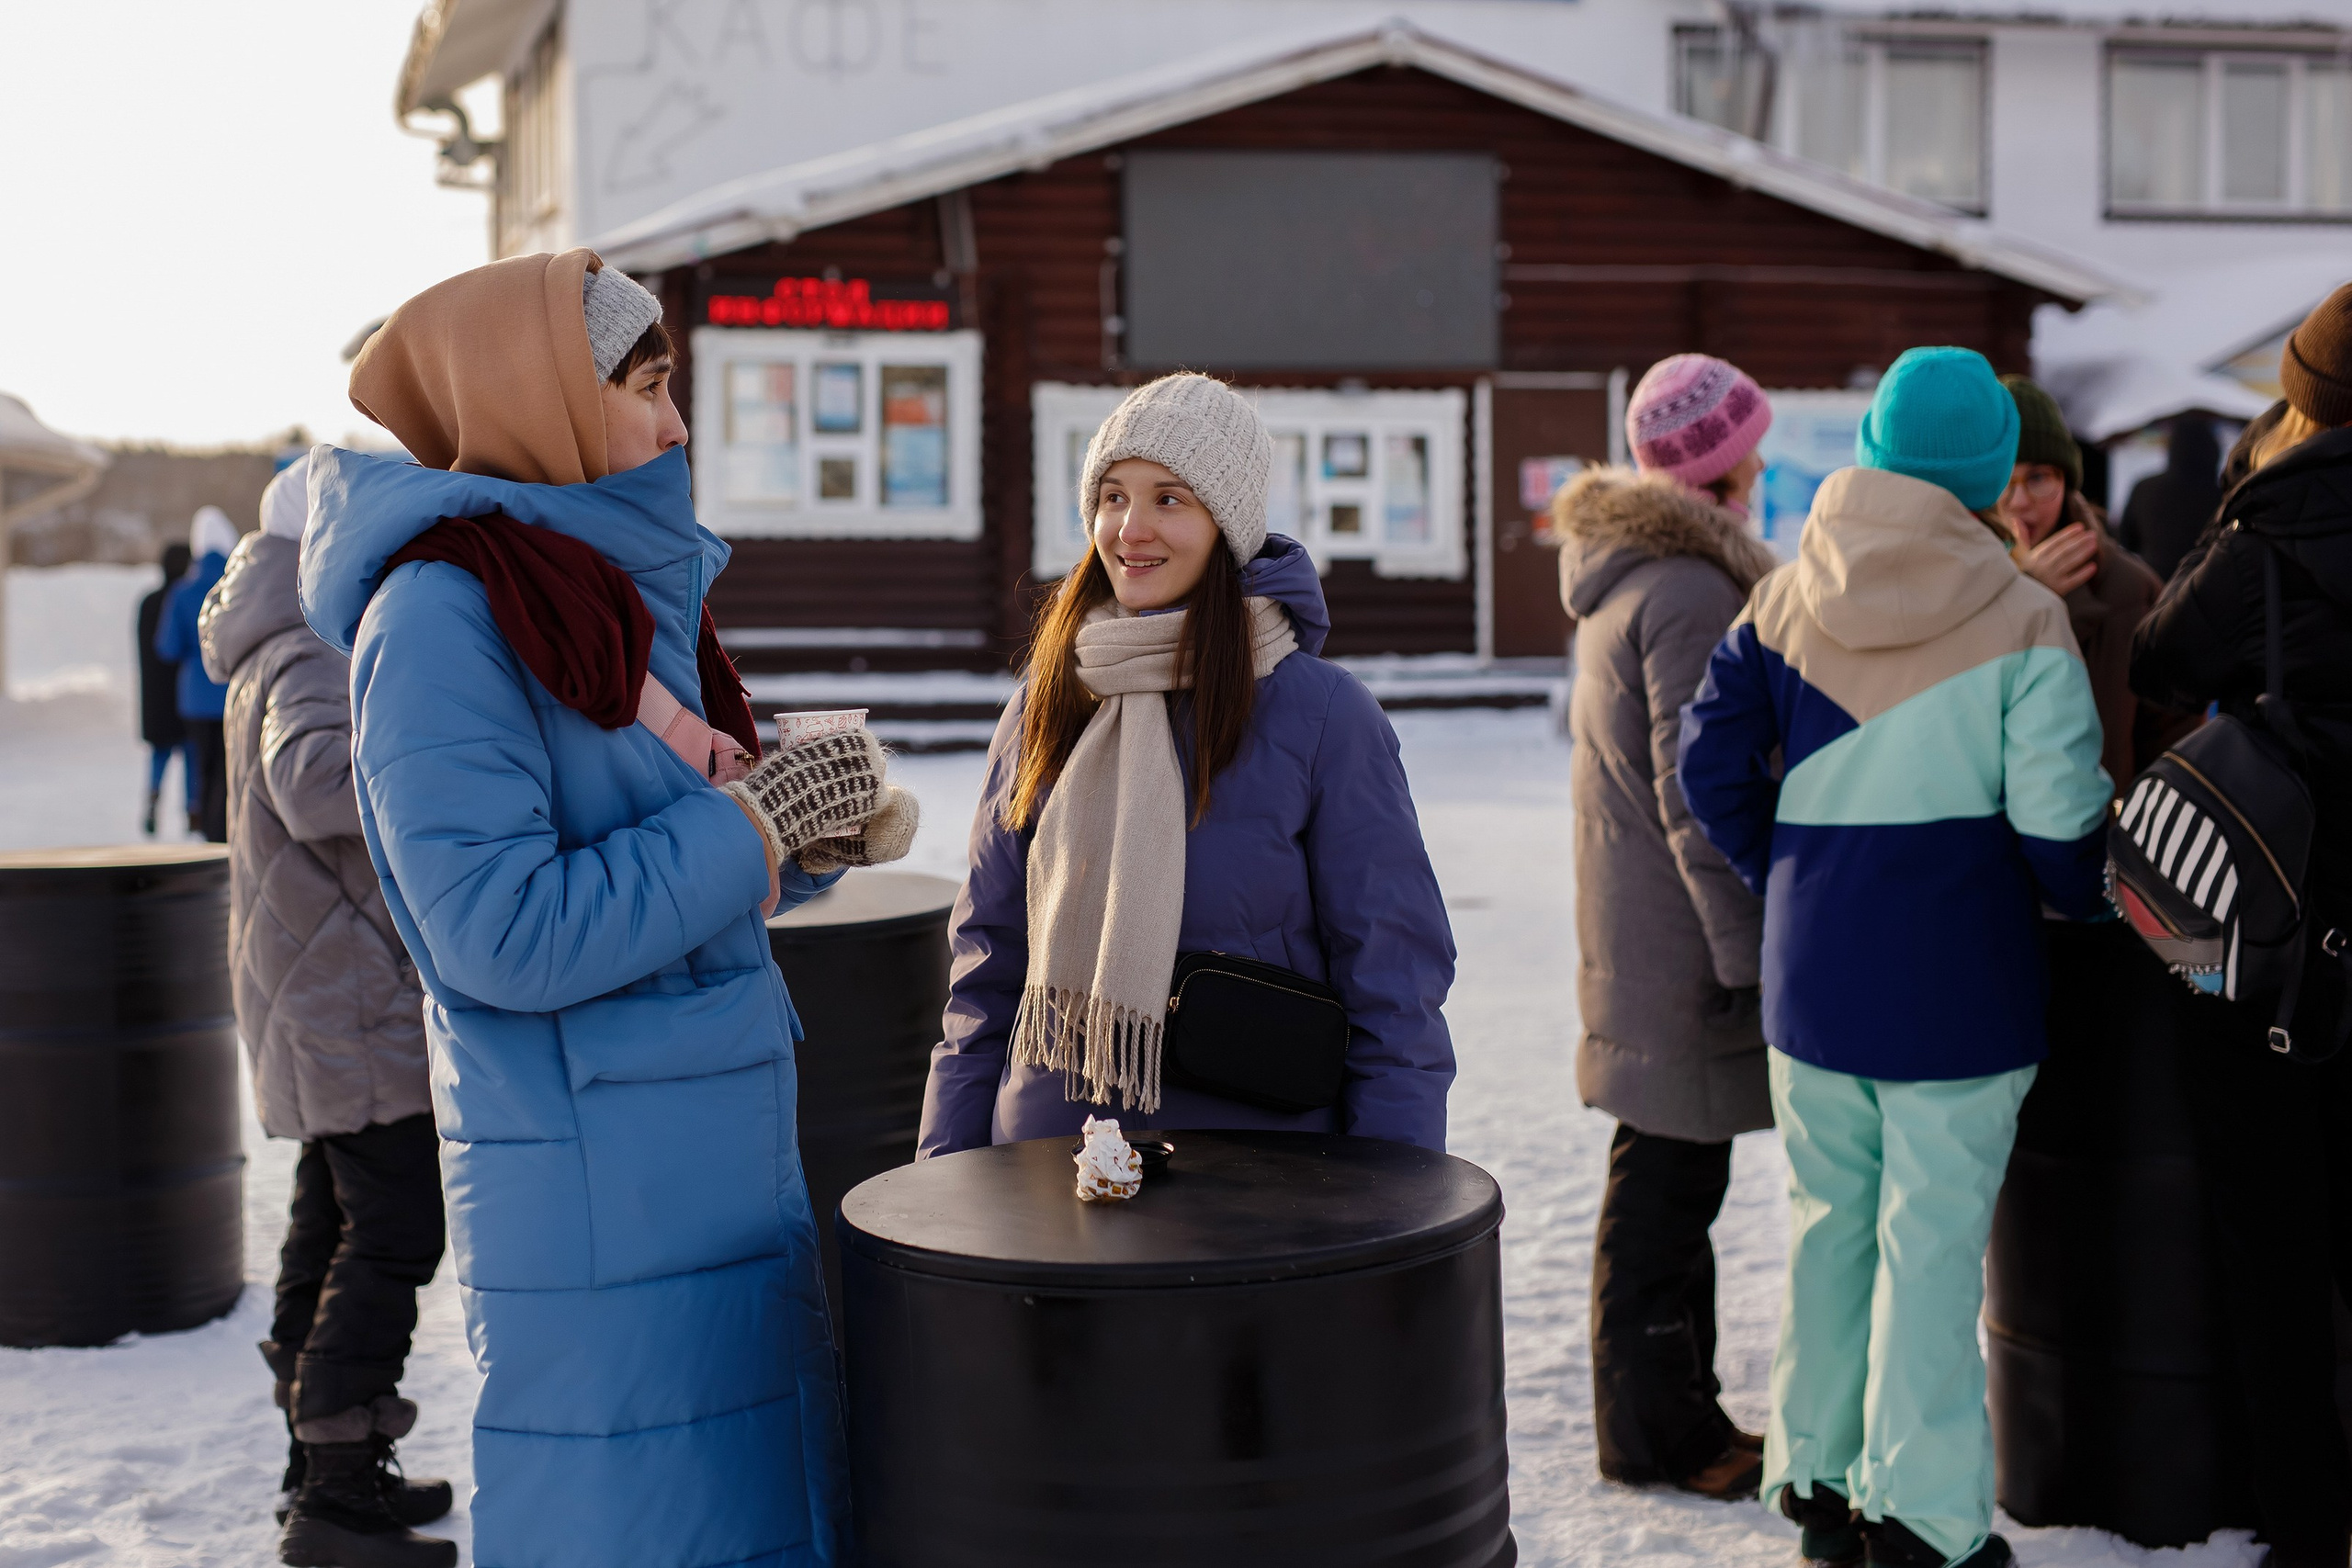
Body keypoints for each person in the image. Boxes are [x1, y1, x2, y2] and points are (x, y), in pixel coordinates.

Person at [299, 251, 910, 1568]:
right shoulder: (442, 618)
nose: (675, 422)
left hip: (694, 1159)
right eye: (644, 384)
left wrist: (799, 837)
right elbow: (498, 932)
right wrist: (744, 829)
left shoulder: (585, 588)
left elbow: (647, 846)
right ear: (538, 397)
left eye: (670, 380)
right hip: (598, 1193)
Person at [1679, 346, 2110, 1568]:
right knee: (1929, 1251)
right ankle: (1921, 1518)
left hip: (1814, 980)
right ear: (1985, 472)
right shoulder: (2026, 613)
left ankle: (1816, 1478)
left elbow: (1707, 766)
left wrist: (1798, 874)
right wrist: (2083, 898)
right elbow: (2059, 825)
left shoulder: (1783, 595)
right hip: (1962, 987)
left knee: (1829, 1228)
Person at [919, 372, 1455, 1155]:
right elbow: (987, 962)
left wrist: (1398, 1204)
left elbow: (1394, 987)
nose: (1131, 529)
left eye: (1170, 498)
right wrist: (944, 1177)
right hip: (1046, 1171)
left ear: (1226, 523)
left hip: (1259, 1177)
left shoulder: (1324, 717)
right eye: (1112, 496)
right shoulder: (1052, 698)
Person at [2130, 283, 2352, 1568]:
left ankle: (2307, 1529)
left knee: (2274, 1251)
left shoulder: (2270, 519)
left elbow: (2161, 656)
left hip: (2275, 937)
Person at [198, 454, 454, 1567]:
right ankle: (339, 1494)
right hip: (345, 994)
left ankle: (322, 1466)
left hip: (317, 984)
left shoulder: (275, 637)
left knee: (334, 1215)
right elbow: (311, 784)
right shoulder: (304, 642)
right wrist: (436, 759)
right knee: (396, 1224)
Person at [1553, 354, 1781, 1502]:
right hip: (1684, 952)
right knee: (1665, 1196)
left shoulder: (1631, 577)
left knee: (1668, 1188)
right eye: (1751, 451)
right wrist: (1750, 957)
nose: (1763, 470)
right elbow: (1702, 795)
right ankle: (1661, 1434)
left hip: (1642, 937)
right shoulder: (1692, 593)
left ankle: (1673, 1417)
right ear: (1719, 466)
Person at [1996, 375, 2168, 790]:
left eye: (2039, 477)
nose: (2020, 501)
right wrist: (2027, 597)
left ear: (2067, 481)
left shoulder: (2129, 588)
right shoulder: (1954, 581)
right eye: (2003, 476)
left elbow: (2169, 734)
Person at [156, 504, 238, 840]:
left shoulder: (183, 592)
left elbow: (167, 647)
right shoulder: (237, 585)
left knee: (201, 766)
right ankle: (226, 830)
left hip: (193, 697)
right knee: (229, 767)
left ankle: (206, 830)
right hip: (231, 693)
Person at [2119, 415, 2224, 583]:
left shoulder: (2145, 487)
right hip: (2205, 586)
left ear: (2173, 448)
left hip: (2155, 587)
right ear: (2214, 449)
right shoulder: (2223, 495)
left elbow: (2127, 540)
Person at [136, 539, 193, 836]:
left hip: (155, 699)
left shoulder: (149, 602)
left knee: (159, 755)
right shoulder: (186, 599)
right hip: (183, 696)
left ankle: (152, 799)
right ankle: (192, 811)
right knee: (191, 755)